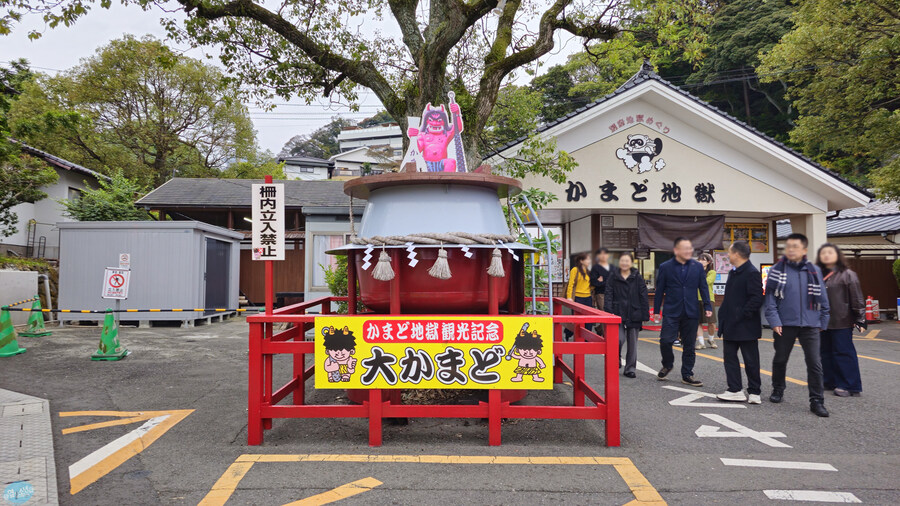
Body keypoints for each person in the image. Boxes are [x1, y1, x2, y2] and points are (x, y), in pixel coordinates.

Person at [764, 233, 830, 417]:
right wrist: (775, 322)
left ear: (804, 250)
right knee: (780, 359)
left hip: (810, 324)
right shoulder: (777, 271)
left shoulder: (814, 271)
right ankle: (778, 389)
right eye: (789, 246)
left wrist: (823, 322)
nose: (791, 249)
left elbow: (824, 299)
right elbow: (770, 301)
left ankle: (817, 401)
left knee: (814, 363)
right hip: (785, 324)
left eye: (795, 246)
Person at [654, 237, 713, 387]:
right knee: (666, 340)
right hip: (671, 310)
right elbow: (659, 290)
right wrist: (656, 310)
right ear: (676, 250)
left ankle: (687, 374)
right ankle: (667, 364)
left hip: (691, 310)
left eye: (690, 248)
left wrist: (707, 306)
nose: (688, 251)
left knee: (689, 344)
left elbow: (703, 288)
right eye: (684, 248)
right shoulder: (665, 267)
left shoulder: (697, 267)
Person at [715, 241, 764, 404]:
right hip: (731, 324)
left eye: (729, 253)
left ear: (736, 254)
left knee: (751, 360)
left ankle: (755, 391)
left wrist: (740, 315)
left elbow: (757, 298)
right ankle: (735, 389)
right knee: (730, 358)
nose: (728, 256)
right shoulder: (734, 272)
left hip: (746, 325)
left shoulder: (751, 272)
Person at [816, 243, 865, 397]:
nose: (826, 255)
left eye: (830, 252)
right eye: (823, 253)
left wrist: (860, 318)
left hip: (842, 320)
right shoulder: (818, 274)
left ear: (838, 255)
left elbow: (857, 298)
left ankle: (850, 385)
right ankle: (829, 381)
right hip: (822, 322)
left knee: (843, 353)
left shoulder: (848, 274)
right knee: (825, 352)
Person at [604, 252, 649, 378]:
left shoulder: (637, 277)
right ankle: (616, 359)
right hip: (617, 312)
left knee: (632, 343)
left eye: (627, 261)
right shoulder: (613, 276)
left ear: (631, 262)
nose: (624, 263)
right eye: (622, 260)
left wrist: (645, 314)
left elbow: (643, 295)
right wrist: (608, 311)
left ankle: (630, 368)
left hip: (634, 311)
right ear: (619, 262)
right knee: (618, 339)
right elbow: (608, 294)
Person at [566, 252, 594, 335]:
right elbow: (570, 284)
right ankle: (568, 333)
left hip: (588, 298)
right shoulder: (575, 270)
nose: (589, 261)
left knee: (589, 320)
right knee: (577, 320)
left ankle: (587, 338)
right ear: (581, 261)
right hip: (578, 298)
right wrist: (569, 297)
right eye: (588, 259)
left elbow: (590, 286)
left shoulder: (588, 271)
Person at [695, 253, 719, 349]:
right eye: (699, 259)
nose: (701, 261)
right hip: (696, 298)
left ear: (709, 262)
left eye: (703, 260)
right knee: (698, 322)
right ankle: (701, 342)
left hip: (709, 299)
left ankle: (711, 338)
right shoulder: (695, 271)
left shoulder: (712, 272)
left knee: (711, 322)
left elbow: (707, 281)